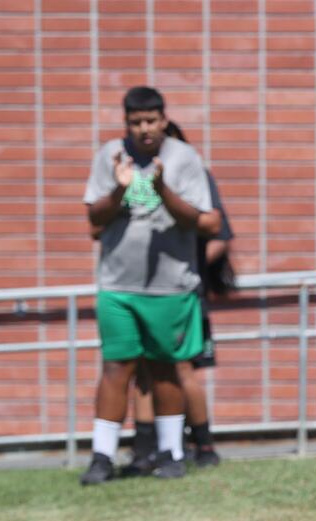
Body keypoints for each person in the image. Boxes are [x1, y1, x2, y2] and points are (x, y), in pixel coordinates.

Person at [80, 86, 218, 485]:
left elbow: (205, 221)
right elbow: (94, 221)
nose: (144, 129)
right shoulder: (111, 155)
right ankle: (102, 457)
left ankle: (172, 452)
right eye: (136, 122)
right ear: (126, 122)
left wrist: (162, 190)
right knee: (115, 368)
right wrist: (120, 188)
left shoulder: (184, 157)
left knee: (164, 371)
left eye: (151, 121)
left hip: (170, 287)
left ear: (163, 119)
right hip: (118, 286)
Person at [123, 121, 233, 475]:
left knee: (183, 368)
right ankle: (146, 449)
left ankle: (203, 444)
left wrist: (192, 269)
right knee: (144, 367)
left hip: (182, 291)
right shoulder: (135, 176)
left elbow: (219, 233)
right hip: (144, 291)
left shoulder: (194, 175)